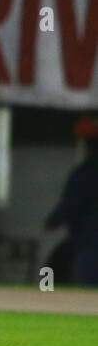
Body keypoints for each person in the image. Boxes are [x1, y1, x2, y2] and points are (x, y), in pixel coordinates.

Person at [44, 115, 98, 287]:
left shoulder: (87, 171)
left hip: (91, 242)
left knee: (90, 291)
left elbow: (71, 203)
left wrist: (53, 220)